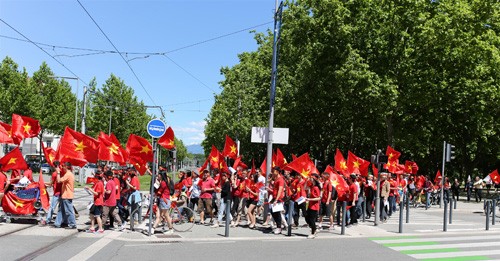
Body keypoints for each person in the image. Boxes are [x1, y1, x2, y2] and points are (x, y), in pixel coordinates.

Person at [54, 162, 77, 229]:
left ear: (67, 166)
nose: (62, 167)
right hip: (65, 195)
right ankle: (57, 223)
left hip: (67, 195)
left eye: (63, 166)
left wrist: (58, 172)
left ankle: (72, 224)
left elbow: (58, 181)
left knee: (68, 210)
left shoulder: (68, 174)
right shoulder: (68, 174)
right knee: (61, 210)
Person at [269, 167, 285, 234]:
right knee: (273, 212)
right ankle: (279, 226)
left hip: (278, 198)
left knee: (277, 213)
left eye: (274, 171)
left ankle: (279, 227)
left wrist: (276, 199)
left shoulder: (280, 179)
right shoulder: (276, 179)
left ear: (278, 172)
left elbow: (280, 190)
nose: (273, 172)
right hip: (274, 197)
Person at [305, 173, 321, 239]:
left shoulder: (316, 188)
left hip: (314, 206)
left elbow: (319, 198)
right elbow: (305, 188)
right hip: (310, 205)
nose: (310, 178)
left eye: (311, 178)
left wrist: (309, 199)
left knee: (312, 220)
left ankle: (313, 233)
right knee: (307, 217)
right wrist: (306, 181)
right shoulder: (312, 186)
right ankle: (314, 228)